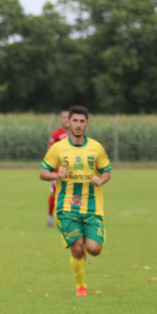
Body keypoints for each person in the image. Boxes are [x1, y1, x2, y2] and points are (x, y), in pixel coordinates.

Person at [40, 106, 111, 296]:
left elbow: (107, 173)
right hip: (66, 206)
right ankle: (81, 286)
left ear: (87, 123)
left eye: (82, 121)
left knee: (94, 249)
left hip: (93, 207)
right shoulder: (58, 147)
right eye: (75, 121)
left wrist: (100, 179)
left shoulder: (96, 147)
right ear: (68, 123)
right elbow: (42, 173)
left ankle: (83, 247)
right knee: (77, 249)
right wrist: (55, 174)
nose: (78, 125)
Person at [46, 110, 70, 227]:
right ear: (60, 119)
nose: (66, 120)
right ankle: (50, 217)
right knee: (56, 194)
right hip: (58, 171)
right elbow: (49, 152)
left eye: (68, 118)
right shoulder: (56, 134)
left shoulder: (77, 134)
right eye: (64, 118)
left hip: (73, 170)